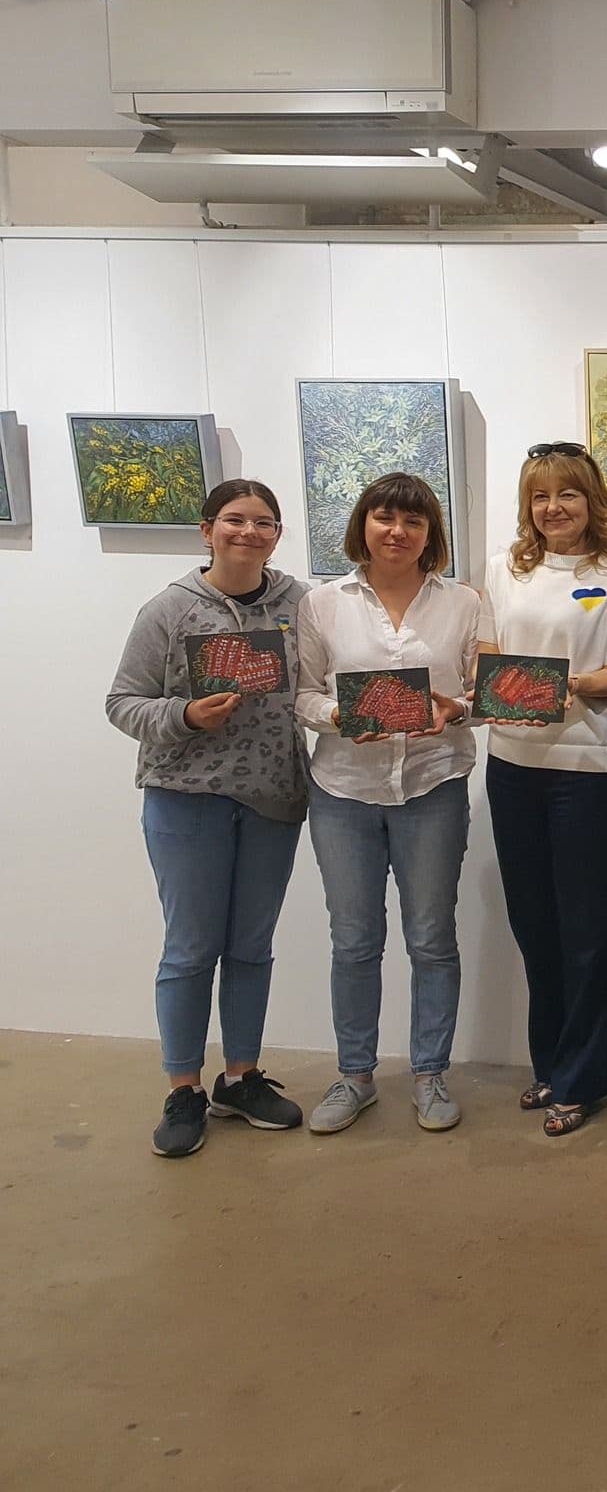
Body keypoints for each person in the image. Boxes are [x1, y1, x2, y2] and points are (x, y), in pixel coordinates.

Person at [106, 479, 311, 1157]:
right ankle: (184, 1088)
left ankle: (241, 1077)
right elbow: (122, 701)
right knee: (191, 949)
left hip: (273, 798)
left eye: (263, 522)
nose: (248, 532)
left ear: (277, 535)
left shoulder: (300, 604)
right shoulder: (168, 610)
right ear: (206, 529)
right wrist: (185, 715)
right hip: (185, 797)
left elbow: (325, 684)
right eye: (234, 520)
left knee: (251, 946)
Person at [294, 473, 479, 1136]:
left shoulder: (463, 602)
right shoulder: (322, 603)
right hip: (344, 791)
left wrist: (457, 709)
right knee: (354, 941)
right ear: (363, 525)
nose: (397, 531)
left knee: (432, 939)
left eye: (413, 521)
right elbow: (303, 693)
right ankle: (355, 1076)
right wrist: (339, 716)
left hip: (434, 784)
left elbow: (483, 692)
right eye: (384, 518)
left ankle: (430, 1073)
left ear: (431, 534)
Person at [477, 444, 607, 1139]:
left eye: (567, 494)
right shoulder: (502, 571)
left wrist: (570, 684)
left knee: (585, 933)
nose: (553, 508)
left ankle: (582, 1081)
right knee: (534, 926)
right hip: (511, 763)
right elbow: (487, 655)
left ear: (591, 500)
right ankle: (549, 1066)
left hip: (586, 770)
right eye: (540, 496)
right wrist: (510, 688)